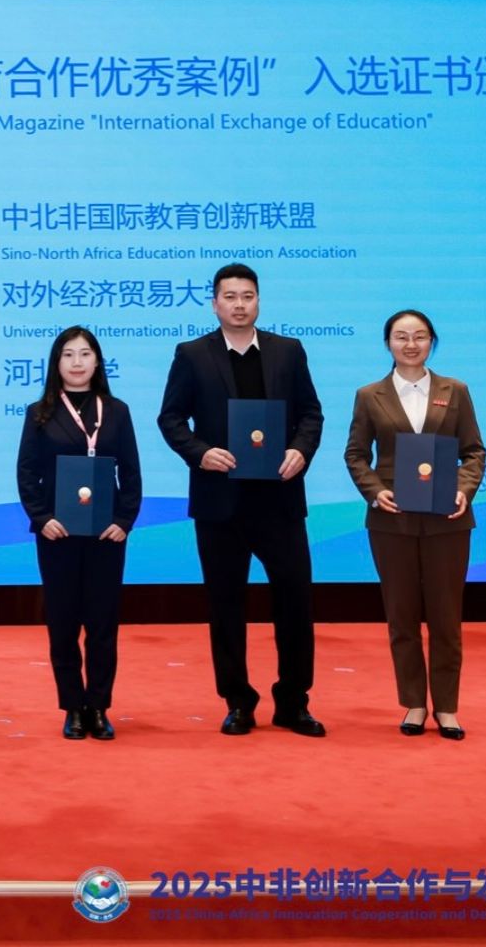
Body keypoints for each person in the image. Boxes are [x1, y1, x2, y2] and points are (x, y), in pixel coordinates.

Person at [157, 264, 326, 737]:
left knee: (295, 601)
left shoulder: (287, 351)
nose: (238, 304)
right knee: (226, 605)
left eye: (247, 296)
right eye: (229, 297)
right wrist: (200, 453)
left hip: (279, 499)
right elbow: (171, 419)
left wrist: (300, 450)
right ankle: (238, 701)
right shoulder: (192, 355)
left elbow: (311, 414)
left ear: (258, 301)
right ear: (214, 304)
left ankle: (293, 702)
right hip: (220, 502)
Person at [343, 310, 486, 741]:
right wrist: (374, 491)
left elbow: (474, 452)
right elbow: (355, 454)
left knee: (446, 617)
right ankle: (414, 703)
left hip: (447, 519)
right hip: (392, 520)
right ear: (388, 343)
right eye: (401, 336)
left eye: (420, 336)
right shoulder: (369, 395)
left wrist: (463, 489)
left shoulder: (455, 390)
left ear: (431, 342)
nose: (410, 344)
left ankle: (447, 707)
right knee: (402, 616)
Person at [16, 327, 142, 741]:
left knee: (103, 624)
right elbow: (26, 472)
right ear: (56, 363)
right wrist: (41, 518)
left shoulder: (117, 411)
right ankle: (72, 706)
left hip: (106, 535)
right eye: (68, 354)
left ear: (97, 361)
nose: (76, 362)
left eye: (85, 354)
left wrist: (123, 521)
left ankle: (99, 707)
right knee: (63, 622)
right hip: (58, 534)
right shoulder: (40, 413)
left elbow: (132, 473)